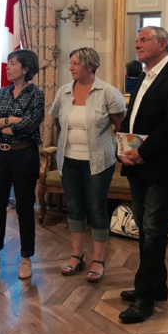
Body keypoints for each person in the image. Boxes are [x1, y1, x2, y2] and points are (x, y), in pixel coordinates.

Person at [118, 26, 168, 324]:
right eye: (136, 39)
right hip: (138, 162)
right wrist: (123, 146)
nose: (136, 44)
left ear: (163, 44)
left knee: (153, 230)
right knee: (144, 226)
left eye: (143, 40)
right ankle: (157, 285)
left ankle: (145, 297)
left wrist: (144, 152)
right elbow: (133, 119)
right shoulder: (141, 78)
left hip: (162, 165)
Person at [49, 48, 126, 282]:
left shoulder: (108, 93)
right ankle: (76, 255)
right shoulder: (63, 92)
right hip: (69, 160)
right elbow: (57, 122)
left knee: (96, 208)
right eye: (70, 63)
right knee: (74, 208)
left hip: (99, 162)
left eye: (75, 64)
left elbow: (118, 124)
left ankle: (98, 260)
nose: (70, 67)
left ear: (90, 67)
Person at [0, 49, 44, 279]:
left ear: (25, 68)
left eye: (13, 64)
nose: (8, 67)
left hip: (24, 154)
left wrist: (1, 123)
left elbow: (30, 124)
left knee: (24, 207)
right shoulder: (1, 93)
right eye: (8, 63)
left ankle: (25, 258)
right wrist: (11, 120)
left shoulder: (36, 94)